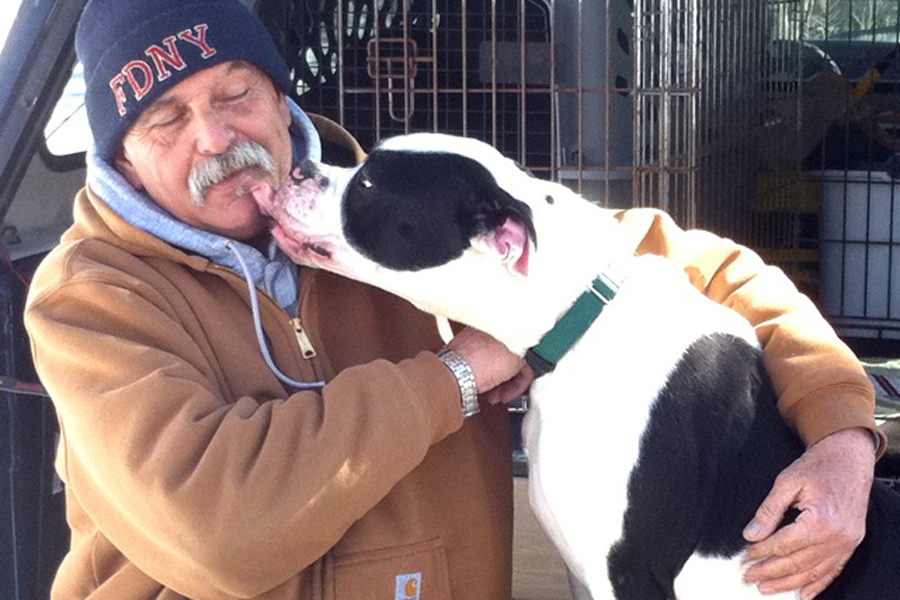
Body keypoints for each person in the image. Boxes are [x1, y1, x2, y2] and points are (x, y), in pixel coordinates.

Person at [23, 1, 883, 599]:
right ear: (121, 155)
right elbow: (220, 530)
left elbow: (710, 271)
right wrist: (460, 373)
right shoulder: (91, 301)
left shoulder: (402, 215)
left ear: (281, 96)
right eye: (165, 119)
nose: (215, 138)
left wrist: (843, 432)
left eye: (234, 93)